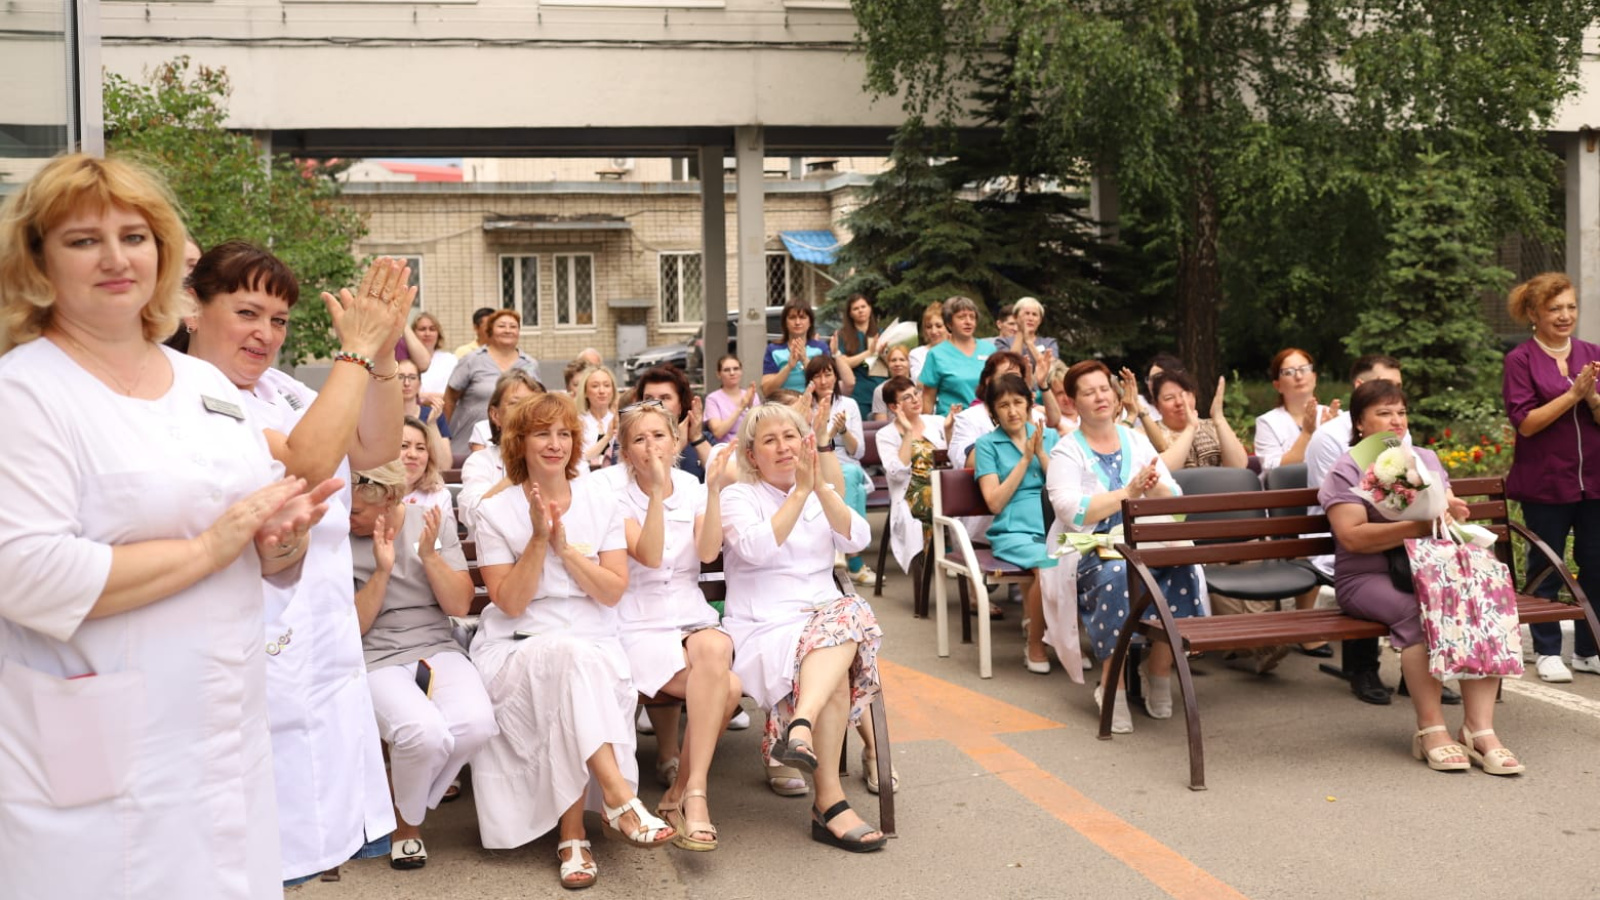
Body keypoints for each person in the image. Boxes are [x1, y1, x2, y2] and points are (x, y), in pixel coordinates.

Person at [0, 152, 336, 899]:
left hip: (222, 732)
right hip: (96, 737)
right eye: (84, 240)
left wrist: (281, 545)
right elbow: (25, 576)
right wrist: (207, 549)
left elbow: (262, 542)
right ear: (38, 261)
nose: (117, 258)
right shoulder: (24, 394)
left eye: (136, 236)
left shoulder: (206, 386)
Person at [184, 240, 405, 883]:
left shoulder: (279, 389)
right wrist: (356, 352)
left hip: (315, 637)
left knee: (301, 846)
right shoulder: (189, 391)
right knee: (243, 850)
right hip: (241, 644)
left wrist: (384, 353)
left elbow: (375, 446)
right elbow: (306, 460)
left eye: (278, 320)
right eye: (249, 313)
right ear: (193, 307)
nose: (266, 335)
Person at [466, 394, 675, 888]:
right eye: (542, 433)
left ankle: (574, 834)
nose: (555, 444)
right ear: (519, 442)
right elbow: (511, 603)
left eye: (564, 433)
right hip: (516, 644)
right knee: (565, 658)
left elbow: (612, 590)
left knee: (572, 664)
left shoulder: (600, 501)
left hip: (594, 639)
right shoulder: (496, 511)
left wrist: (566, 551)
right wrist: (539, 541)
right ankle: (618, 802)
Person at [1322, 379, 1524, 774]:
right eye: (1383, 413)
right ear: (1360, 423)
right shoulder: (1348, 467)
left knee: (1481, 602)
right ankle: (1431, 729)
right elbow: (1352, 538)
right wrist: (1412, 527)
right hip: (1368, 575)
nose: (1395, 421)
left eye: (1400, 412)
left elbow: (1440, 512)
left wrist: (1451, 511)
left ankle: (1479, 730)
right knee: (1419, 614)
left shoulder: (1424, 459)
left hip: (1429, 564)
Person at [720, 402, 888, 852]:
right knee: (842, 643)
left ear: (804, 442)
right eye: (769, 440)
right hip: (764, 622)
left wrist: (821, 491)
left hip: (822, 618)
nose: (782, 447)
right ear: (752, 454)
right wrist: (799, 493)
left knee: (846, 616)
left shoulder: (820, 489)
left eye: (790, 437)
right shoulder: (738, 495)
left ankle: (800, 728)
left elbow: (858, 539)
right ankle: (829, 805)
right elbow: (756, 548)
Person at [349, 462, 496, 870]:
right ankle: (405, 826)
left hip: (433, 642)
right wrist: (382, 570)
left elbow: (458, 606)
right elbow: (354, 627)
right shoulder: (336, 536)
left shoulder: (430, 521)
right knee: (422, 733)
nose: (347, 515)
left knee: (477, 724)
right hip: (372, 652)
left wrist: (429, 556)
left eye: (356, 510)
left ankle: (392, 801)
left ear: (390, 500)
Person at [1045, 361, 1202, 734]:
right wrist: (1128, 494)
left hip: (1145, 539)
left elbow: (1173, 494)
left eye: (1104, 389)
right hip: (1091, 548)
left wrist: (1155, 488)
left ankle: (1159, 670)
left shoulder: (1135, 439)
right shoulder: (1066, 451)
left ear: (1116, 397)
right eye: (1089, 392)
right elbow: (1071, 510)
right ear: (1074, 401)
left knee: (1182, 565)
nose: (1100, 397)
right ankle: (1111, 683)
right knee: (1118, 574)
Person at [615, 403, 742, 851]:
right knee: (726, 688)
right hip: (637, 623)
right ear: (626, 451)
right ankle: (688, 796)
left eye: (658, 436)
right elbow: (648, 555)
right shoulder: (612, 492)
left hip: (689, 614)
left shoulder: (691, 486)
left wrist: (711, 492)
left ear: (675, 443)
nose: (651, 446)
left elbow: (708, 553)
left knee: (715, 647)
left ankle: (688, 792)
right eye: (639, 439)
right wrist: (653, 493)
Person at [1502, 272, 1600, 683]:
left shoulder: (1593, 353)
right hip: (1545, 482)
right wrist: (1573, 395)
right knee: (1546, 564)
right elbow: (1526, 423)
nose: (1565, 316)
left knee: (1596, 564)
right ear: (1533, 314)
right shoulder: (1520, 360)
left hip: (1594, 479)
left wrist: (1593, 399)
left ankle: (1588, 650)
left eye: (1571, 307)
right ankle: (1545, 650)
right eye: (1554, 308)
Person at [1304, 354, 1407, 705]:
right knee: (1376, 571)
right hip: (1338, 538)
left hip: (1398, 540)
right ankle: (1363, 668)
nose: (1396, 414)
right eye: (1386, 391)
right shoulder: (1330, 439)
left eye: (1399, 397)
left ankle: (1419, 672)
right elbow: (1337, 500)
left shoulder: (1397, 435)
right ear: (1362, 391)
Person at [974, 374, 1061, 673]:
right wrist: (1025, 460)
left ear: (1029, 404)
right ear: (993, 411)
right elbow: (994, 502)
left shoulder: (1049, 436)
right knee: (1047, 564)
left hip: (1053, 523)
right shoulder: (987, 445)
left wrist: (1040, 454)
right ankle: (1036, 643)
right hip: (1014, 529)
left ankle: (1062, 639)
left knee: (1078, 560)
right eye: (1003, 405)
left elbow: (1064, 487)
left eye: (1018, 402)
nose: (1012, 410)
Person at [803, 355, 876, 587]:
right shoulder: (804, 406)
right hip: (817, 463)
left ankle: (843, 552)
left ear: (836, 377)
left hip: (846, 463)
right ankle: (853, 558)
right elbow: (807, 446)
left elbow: (858, 452)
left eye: (828, 374)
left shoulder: (849, 405)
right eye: (817, 375)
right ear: (810, 380)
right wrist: (827, 432)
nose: (823, 380)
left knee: (851, 474)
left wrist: (842, 430)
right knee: (854, 487)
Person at [877, 374, 954, 578]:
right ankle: (936, 559)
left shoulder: (936, 422)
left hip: (943, 486)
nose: (916, 399)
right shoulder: (885, 435)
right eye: (907, 397)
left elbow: (953, 460)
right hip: (911, 492)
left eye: (916, 393)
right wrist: (909, 433)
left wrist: (948, 431)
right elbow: (896, 473)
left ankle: (959, 555)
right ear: (894, 407)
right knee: (932, 498)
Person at [457, 370, 543, 533]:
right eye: (515, 403)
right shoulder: (481, 461)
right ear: (495, 415)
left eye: (532, 404)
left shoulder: (554, 456)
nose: (524, 411)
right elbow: (471, 514)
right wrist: (516, 475)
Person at [445, 309, 539, 456]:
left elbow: (538, 403)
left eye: (513, 326)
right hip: (467, 444)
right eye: (501, 326)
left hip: (516, 446)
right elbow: (450, 399)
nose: (508, 330)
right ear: (490, 330)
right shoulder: (472, 360)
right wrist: (444, 434)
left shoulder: (530, 364)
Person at [1254, 347, 1339, 470]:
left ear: (1314, 378)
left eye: (1304, 369)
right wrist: (1306, 434)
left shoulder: (1333, 416)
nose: (1299, 376)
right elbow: (1273, 470)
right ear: (1277, 385)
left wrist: (1333, 436)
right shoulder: (1267, 422)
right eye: (1289, 372)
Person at [1148, 369, 1247, 471]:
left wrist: (1219, 419)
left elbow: (1239, 467)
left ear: (1194, 396)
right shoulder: (1145, 434)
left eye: (1185, 395)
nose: (1179, 402)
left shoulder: (1214, 427)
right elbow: (1162, 471)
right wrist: (1190, 428)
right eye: (1169, 398)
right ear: (1157, 405)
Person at [629, 364, 712, 481]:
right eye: (648, 398)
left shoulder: (703, 438)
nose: (656, 404)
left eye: (665, 398)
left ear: (680, 405)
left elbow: (725, 478)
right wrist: (677, 447)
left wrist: (697, 438)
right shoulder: (628, 440)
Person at [919, 296, 995, 415]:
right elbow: (928, 399)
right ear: (949, 323)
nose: (968, 321)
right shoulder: (936, 354)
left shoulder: (989, 349)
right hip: (952, 423)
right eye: (961, 317)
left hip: (987, 421)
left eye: (972, 317)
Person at [762, 301, 834, 395]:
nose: (797, 322)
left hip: (813, 403)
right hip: (783, 404)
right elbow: (767, 390)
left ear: (810, 322)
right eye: (792, 318)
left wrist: (805, 360)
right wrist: (789, 366)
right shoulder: (773, 349)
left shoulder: (821, 348)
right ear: (785, 322)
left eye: (802, 317)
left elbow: (825, 384)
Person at [831, 293, 883, 412]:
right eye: (856, 308)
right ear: (850, 313)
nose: (860, 311)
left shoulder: (881, 333)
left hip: (880, 391)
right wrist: (869, 352)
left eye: (863, 307)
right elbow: (844, 362)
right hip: (858, 394)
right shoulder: (843, 336)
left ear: (870, 308)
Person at [992, 297, 1058, 387]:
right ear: (1016, 317)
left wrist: (1029, 343)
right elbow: (1009, 366)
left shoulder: (1049, 342)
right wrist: (1020, 333)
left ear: (1040, 320)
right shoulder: (1002, 342)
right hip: (1013, 389)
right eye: (1026, 314)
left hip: (1043, 390)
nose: (1030, 318)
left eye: (1034, 315)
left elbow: (1052, 369)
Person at [400, 415, 454, 523]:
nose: (413, 455)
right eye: (404, 446)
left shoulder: (439, 496)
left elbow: (446, 539)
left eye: (420, 448)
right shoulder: (368, 494)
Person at [398, 358, 451, 464]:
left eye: (412, 377)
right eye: (400, 377)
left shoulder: (434, 415)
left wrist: (432, 424)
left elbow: (445, 465)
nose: (407, 383)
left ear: (420, 384)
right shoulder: (382, 417)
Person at [705, 353, 756, 445]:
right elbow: (718, 433)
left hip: (750, 446)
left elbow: (759, 428)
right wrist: (741, 407)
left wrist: (751, 406)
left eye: (736, 369)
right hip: (726, 448)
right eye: (726, 370)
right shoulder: (712, 399)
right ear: (718, 374)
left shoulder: (751, 395)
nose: (732, 373)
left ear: (741, 371)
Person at [577, 365, 618, 469]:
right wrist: (607, 437)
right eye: (595, 386)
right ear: (585, 392)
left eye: (607, 385)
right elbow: (580, 458)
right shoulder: (578, 421)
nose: (602, 391)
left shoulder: (620, 419)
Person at [412, 311, 456, 395]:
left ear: (438, 334)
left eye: (432, 329)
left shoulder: (450, 360)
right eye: (422, 329)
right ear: (413, 333)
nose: (427, 334)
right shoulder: (405, 360)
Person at [907, 301, 947, 384]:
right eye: (929, 327)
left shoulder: (960, 350)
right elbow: (919, 383)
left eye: (939, 326)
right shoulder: (916, 354)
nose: (933, 331)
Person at [870, 344, 913, 421]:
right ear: (888, 364)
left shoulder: (918, 386)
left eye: (902, 360)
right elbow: (881, 423)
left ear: (909, 363)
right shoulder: (881, 390)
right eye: (893, 360)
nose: (897, 364)